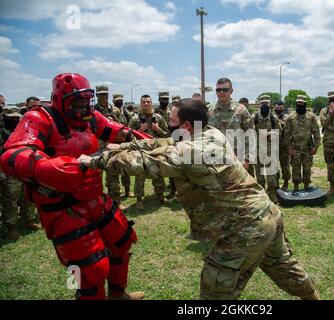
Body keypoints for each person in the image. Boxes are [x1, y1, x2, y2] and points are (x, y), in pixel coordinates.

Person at [79, 98, 319, 300]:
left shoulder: (190, 152)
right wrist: (121, 145)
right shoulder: (209, 133)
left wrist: (94, 161)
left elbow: (143, 162)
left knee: (213, 290)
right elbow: (162, 142)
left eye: (171, 122)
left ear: (184, 125)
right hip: (267, 214)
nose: (168, 126)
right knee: (285, 267)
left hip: (245, 228)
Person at [0, 73, 147, 300]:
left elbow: (114, 130)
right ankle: (78, 294)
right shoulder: (39, 117)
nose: (82, 107)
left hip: (95, 198)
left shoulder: (90, 117)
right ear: (60, 99)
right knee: (84, 269)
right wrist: (48, 168)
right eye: (76, 102)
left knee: (123, 241)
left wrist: (144, 140)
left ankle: (119, 295)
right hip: (61, 207)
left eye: (85, 101)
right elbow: (12, 154)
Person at [0, 105, 41, 240]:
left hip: (24, 170)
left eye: (17, 118)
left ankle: (29, 220)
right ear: (4, 118)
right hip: (9, 173)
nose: (15, 121)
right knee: (11, 200)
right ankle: (11, 226)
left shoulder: (23, 132)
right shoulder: (1, 134)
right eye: (11, 118)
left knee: (28, 197)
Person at [128, 94, 169, 207]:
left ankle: (160, 195)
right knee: (139, 173)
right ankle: (139, 198)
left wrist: (158, 129)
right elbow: (128, 136)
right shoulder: (135, 119)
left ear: (151, 103)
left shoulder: (159, 118)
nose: (146, 104)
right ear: (141, 104)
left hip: (156, 150)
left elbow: (167, 134)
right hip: (140, 150)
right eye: (144, 102)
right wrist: (141, 129)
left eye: (148, 102)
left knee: (158, 173)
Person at [209, 78, 254, 170]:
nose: (221, 92)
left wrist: (246, 158)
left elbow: (250, 135)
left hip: (238, 158)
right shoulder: (209, 111)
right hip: (216, 159)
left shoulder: (241, 110)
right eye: (218, 90)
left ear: (231, 91)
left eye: (225, 90)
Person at [284, 95, 321, 192]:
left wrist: (316, 146)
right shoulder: (290, 117)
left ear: (305, 104)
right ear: (296, 104)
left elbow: (316, 132)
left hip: (308, 148)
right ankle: (296, 188)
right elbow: (286, 134)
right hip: (295, 148)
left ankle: (306, 186)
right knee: (295, 168)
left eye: (302, 103)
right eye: (298, 103)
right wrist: (288, 148)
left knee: (307, 168)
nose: (300, 104)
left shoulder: (311, 117)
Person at [253, 95, 282, 203]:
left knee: (271, 174)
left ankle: (272, 193)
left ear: (270, 105)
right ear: (260, 104)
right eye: (263, 103)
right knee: (259, 174)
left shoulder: (273, 118)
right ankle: (262, 193)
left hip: (270, 150)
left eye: (267, 103)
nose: (265, 105)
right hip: (258, 150)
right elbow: (249, 131)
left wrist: (270, 133)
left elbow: (280, 132)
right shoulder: (254, 117)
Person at [112, 93, 133, 199]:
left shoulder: (124, 112)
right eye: (117, 100)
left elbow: (130, 121)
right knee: (114, 169)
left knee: (125, 168)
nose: (119, 102)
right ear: (113, 101)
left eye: (121, 100)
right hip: (114, 145)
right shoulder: (113, 111)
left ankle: (127, 191)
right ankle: (117, 193)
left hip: (124, 145)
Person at [274, 100, 291, 190]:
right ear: (274, 107)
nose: (278, 109)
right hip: (273, 146)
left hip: (284, 146)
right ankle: (275, 184)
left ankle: (286, 183)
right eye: (277, 108)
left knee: (285, 165)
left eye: (280, 108)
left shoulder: (288, 118)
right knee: (274, 166)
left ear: (283, 108)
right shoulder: (271, 117)